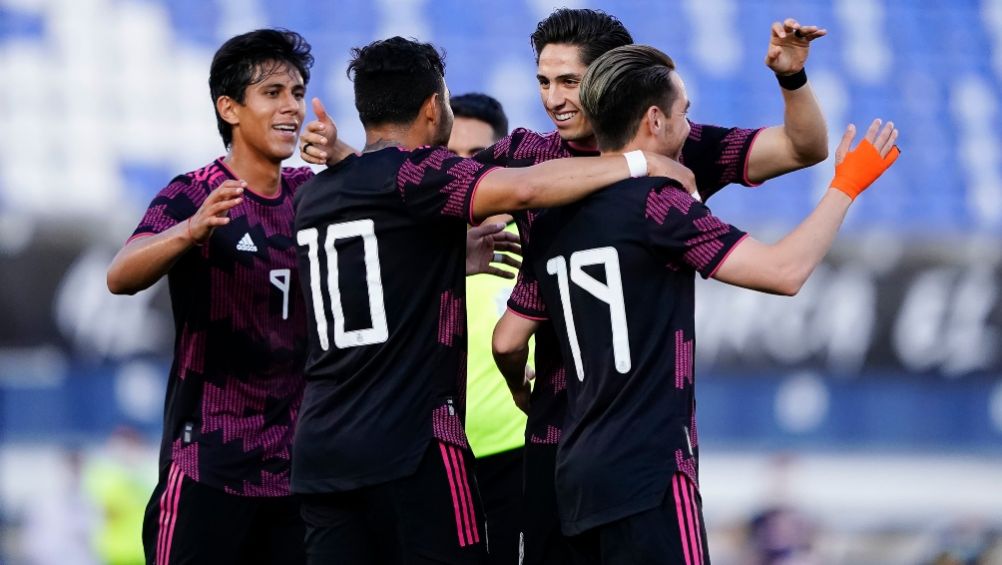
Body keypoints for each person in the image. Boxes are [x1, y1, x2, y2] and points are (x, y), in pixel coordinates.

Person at [298, 9, 829, 563]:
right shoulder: (535, 154)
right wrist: (348, 161)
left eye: (569, 81)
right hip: (558, 432)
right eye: (543, 81)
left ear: (610, 77)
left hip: (633, 432)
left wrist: (791, 78)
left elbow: (803, 148)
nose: (553, 98)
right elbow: (423, 185)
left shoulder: (674, 142)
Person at [495, 44, 899, 564]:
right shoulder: (660, 204)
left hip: (575, 470)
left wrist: (520, 387)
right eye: (685, 112)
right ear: (655, 119)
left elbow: (507, 338)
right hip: (651, 467)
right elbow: (784, 272)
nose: (690, 126)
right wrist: (846, 185)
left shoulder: (551, 216)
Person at [289, 36, 684, 564]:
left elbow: (385, 244)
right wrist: (639, 165)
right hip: (413, 442)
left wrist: (452, 256)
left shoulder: (316, 194)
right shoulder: (420, 173)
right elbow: (524, 190)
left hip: (319, 446)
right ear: (434, 108)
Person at [107, 29, 316, 564]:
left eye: (297, 92)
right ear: (230, 108)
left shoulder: (313, 195)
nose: (291, 105)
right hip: (207, 462)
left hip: (296, 473)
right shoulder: (192, 193)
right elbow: (121, 275)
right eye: (273, 93)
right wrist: (190, 231)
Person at [449, 92, 526, 565]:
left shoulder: (539, 239)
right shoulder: (416, 246)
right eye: (449, 157)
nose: (461, 170)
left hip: (518, 453)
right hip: (435, 455)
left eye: (475, 157)